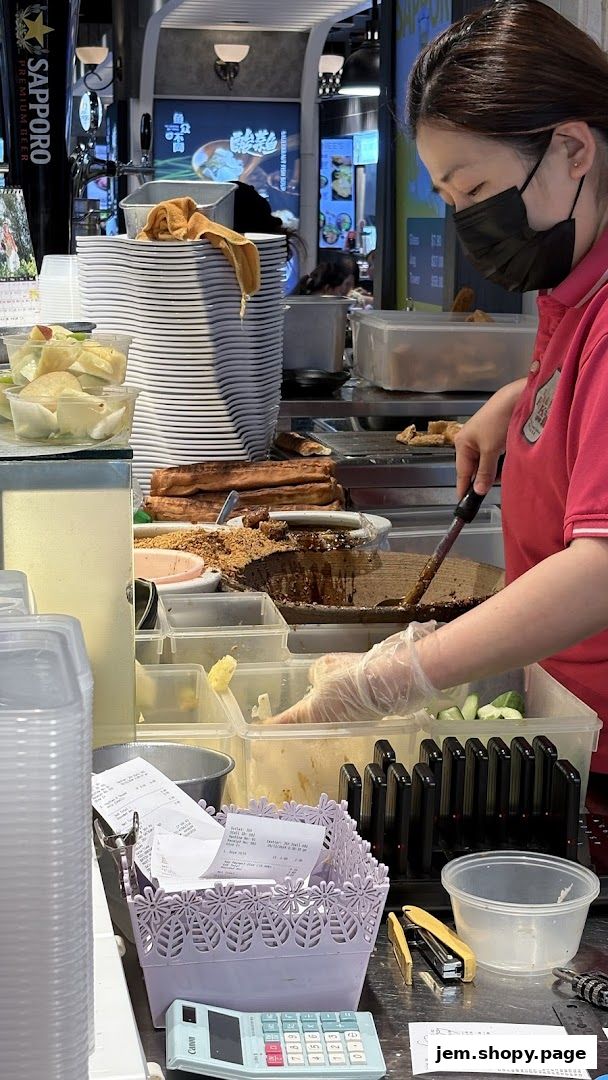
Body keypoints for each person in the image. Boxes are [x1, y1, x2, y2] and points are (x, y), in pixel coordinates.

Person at [278, 0, 608, 780]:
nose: (466, 220)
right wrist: (526, 398)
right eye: (449, 200)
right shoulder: (574, 293)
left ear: (571, 148)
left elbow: (600, 569)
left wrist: (394, 676)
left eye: (476, 189)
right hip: (566, 740)